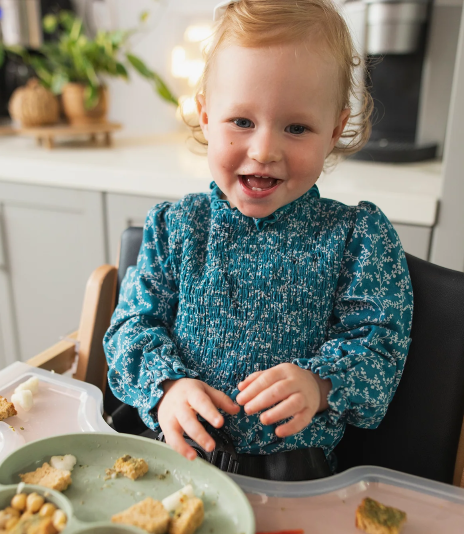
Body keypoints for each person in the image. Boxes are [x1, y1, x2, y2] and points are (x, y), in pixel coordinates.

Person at [103, 0, 413, 480]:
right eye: (242, 122)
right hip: (175, 460)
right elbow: (129, 330)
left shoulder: (357, 238)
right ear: (205, 114)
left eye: (296, 127)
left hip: (296, 476)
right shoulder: (174, 227)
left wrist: (321, 383)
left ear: (334, 130)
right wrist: (166, 388)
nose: (265, 149)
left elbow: (380, 348)